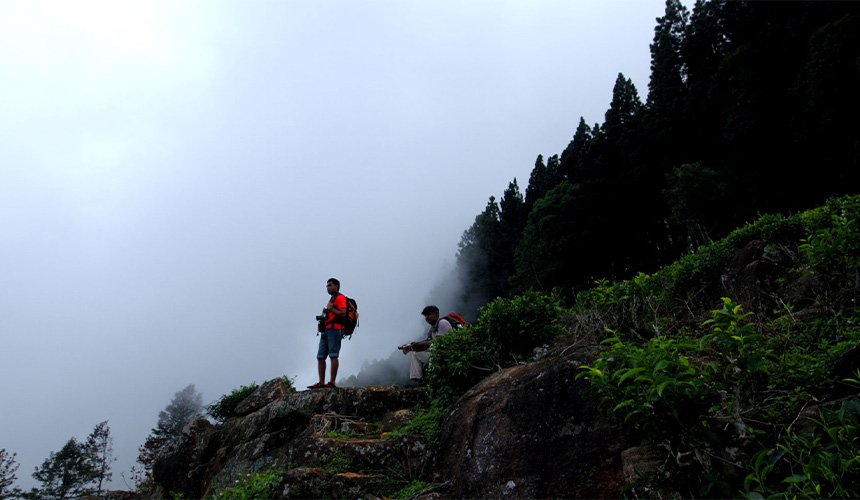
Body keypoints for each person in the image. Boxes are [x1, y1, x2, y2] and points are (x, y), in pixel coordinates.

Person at [308, 278, 347, 389]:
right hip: (327, 330)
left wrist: (331, 309)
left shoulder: (340, 298)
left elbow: (343, 313)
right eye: (327, 285)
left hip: (335, 329)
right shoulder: (332, 299)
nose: (327, 287)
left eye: (330, 285)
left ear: (337, 286)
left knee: (333, 355)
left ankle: (332, 382)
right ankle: (321, 382)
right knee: (320, 357)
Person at [399, 305, 452, 385]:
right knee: (416, 354)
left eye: (429, 314)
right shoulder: (432, 329)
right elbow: (427, 342)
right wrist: (412, 347)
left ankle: (433, 380)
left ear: (436, 313)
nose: (427, 317)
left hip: (449, 353)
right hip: (438, 353)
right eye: (425, 315)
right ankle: (416, 380)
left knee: (434, 347)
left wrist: (416, 346)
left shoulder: (443, 323)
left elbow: (440, 342)